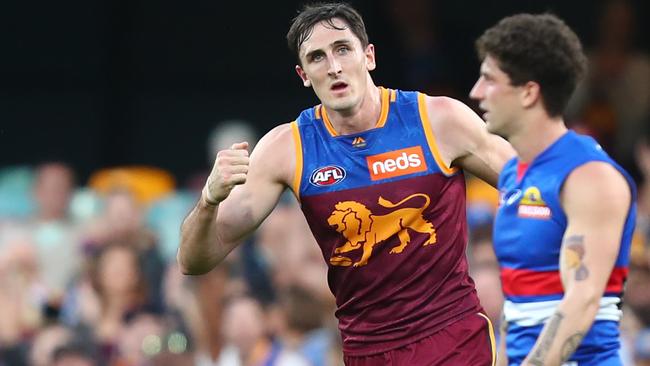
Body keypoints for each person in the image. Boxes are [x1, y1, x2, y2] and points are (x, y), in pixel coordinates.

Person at [179, 2, 514, 365]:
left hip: (453, 337)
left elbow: (535, 185)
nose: (334, 66)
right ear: (303, 74)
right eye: (317, 57)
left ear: (368, 56)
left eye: (342, 49)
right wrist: (209, 200)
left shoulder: (438, 120)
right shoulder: (287, 149)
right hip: (366, 350)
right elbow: (194, 260)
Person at [470, 13, 637, 366]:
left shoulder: (589, 176)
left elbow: (583, 300)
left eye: (488, 80)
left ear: (529, 92)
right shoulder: (513, 173)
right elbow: (514, 306)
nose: (476, 92)